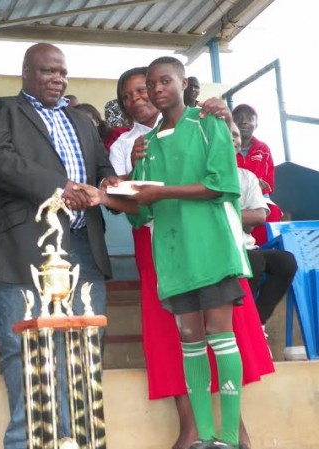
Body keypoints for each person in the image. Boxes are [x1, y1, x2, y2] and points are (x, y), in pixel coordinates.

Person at [82, 56, 251, 449]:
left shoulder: (210, 124)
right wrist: (102, 196)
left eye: (163, 82)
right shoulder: (147, 145)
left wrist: (161, 192)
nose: (157, 91)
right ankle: (204, 438)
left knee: (220, 337)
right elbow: (142, 209)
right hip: (172, 257)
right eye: (151, 85)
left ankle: (229, 437)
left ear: (182, 83)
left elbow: (221, 183)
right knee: (189, 339)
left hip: (212, 249)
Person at [0, 42, 120, 449]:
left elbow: (102, 170)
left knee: (85, 349)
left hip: (83, 249)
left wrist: (109, 185)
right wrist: (61, 189)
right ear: (26, 72)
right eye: (48, 71)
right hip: (24, 247)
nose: (58, 79)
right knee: (26, 350)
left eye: (62, 73)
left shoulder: (82, 120)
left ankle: (83, 441)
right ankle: (30, 443)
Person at [231, 124, 297, 329]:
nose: (232, 138)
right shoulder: (204, 176)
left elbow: (259, 216)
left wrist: (226, 216)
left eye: (235, 135)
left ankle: (256, 324)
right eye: (226, 134)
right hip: (221, 249)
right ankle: (241, 325)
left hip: (247, 246)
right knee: (255, 262)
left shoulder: (246, 177)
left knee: (285, 262)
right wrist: (243, 218)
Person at [232, 103, 280, 245]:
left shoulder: (263, 148)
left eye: (249, 118)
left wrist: (255, 183)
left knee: (272, 211)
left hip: (259, 195)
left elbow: (268, 183)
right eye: (239, 118)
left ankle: (263, 248)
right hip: (235, 193)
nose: (244, 121)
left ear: (256, 125)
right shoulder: (225, 147)